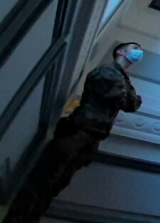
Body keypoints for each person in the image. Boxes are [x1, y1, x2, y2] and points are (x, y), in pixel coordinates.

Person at [3, 43, 145, 223]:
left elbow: (132, 105)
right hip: (78, 130)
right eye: (134, 47)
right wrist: (128, 96)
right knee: (44, 179)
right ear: (120, 51)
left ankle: (30, 218)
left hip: (92, 138)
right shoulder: (106, 71)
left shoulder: (123, 79)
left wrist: (127, 96)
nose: (138, 51)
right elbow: (120, 98)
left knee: (57, 184)